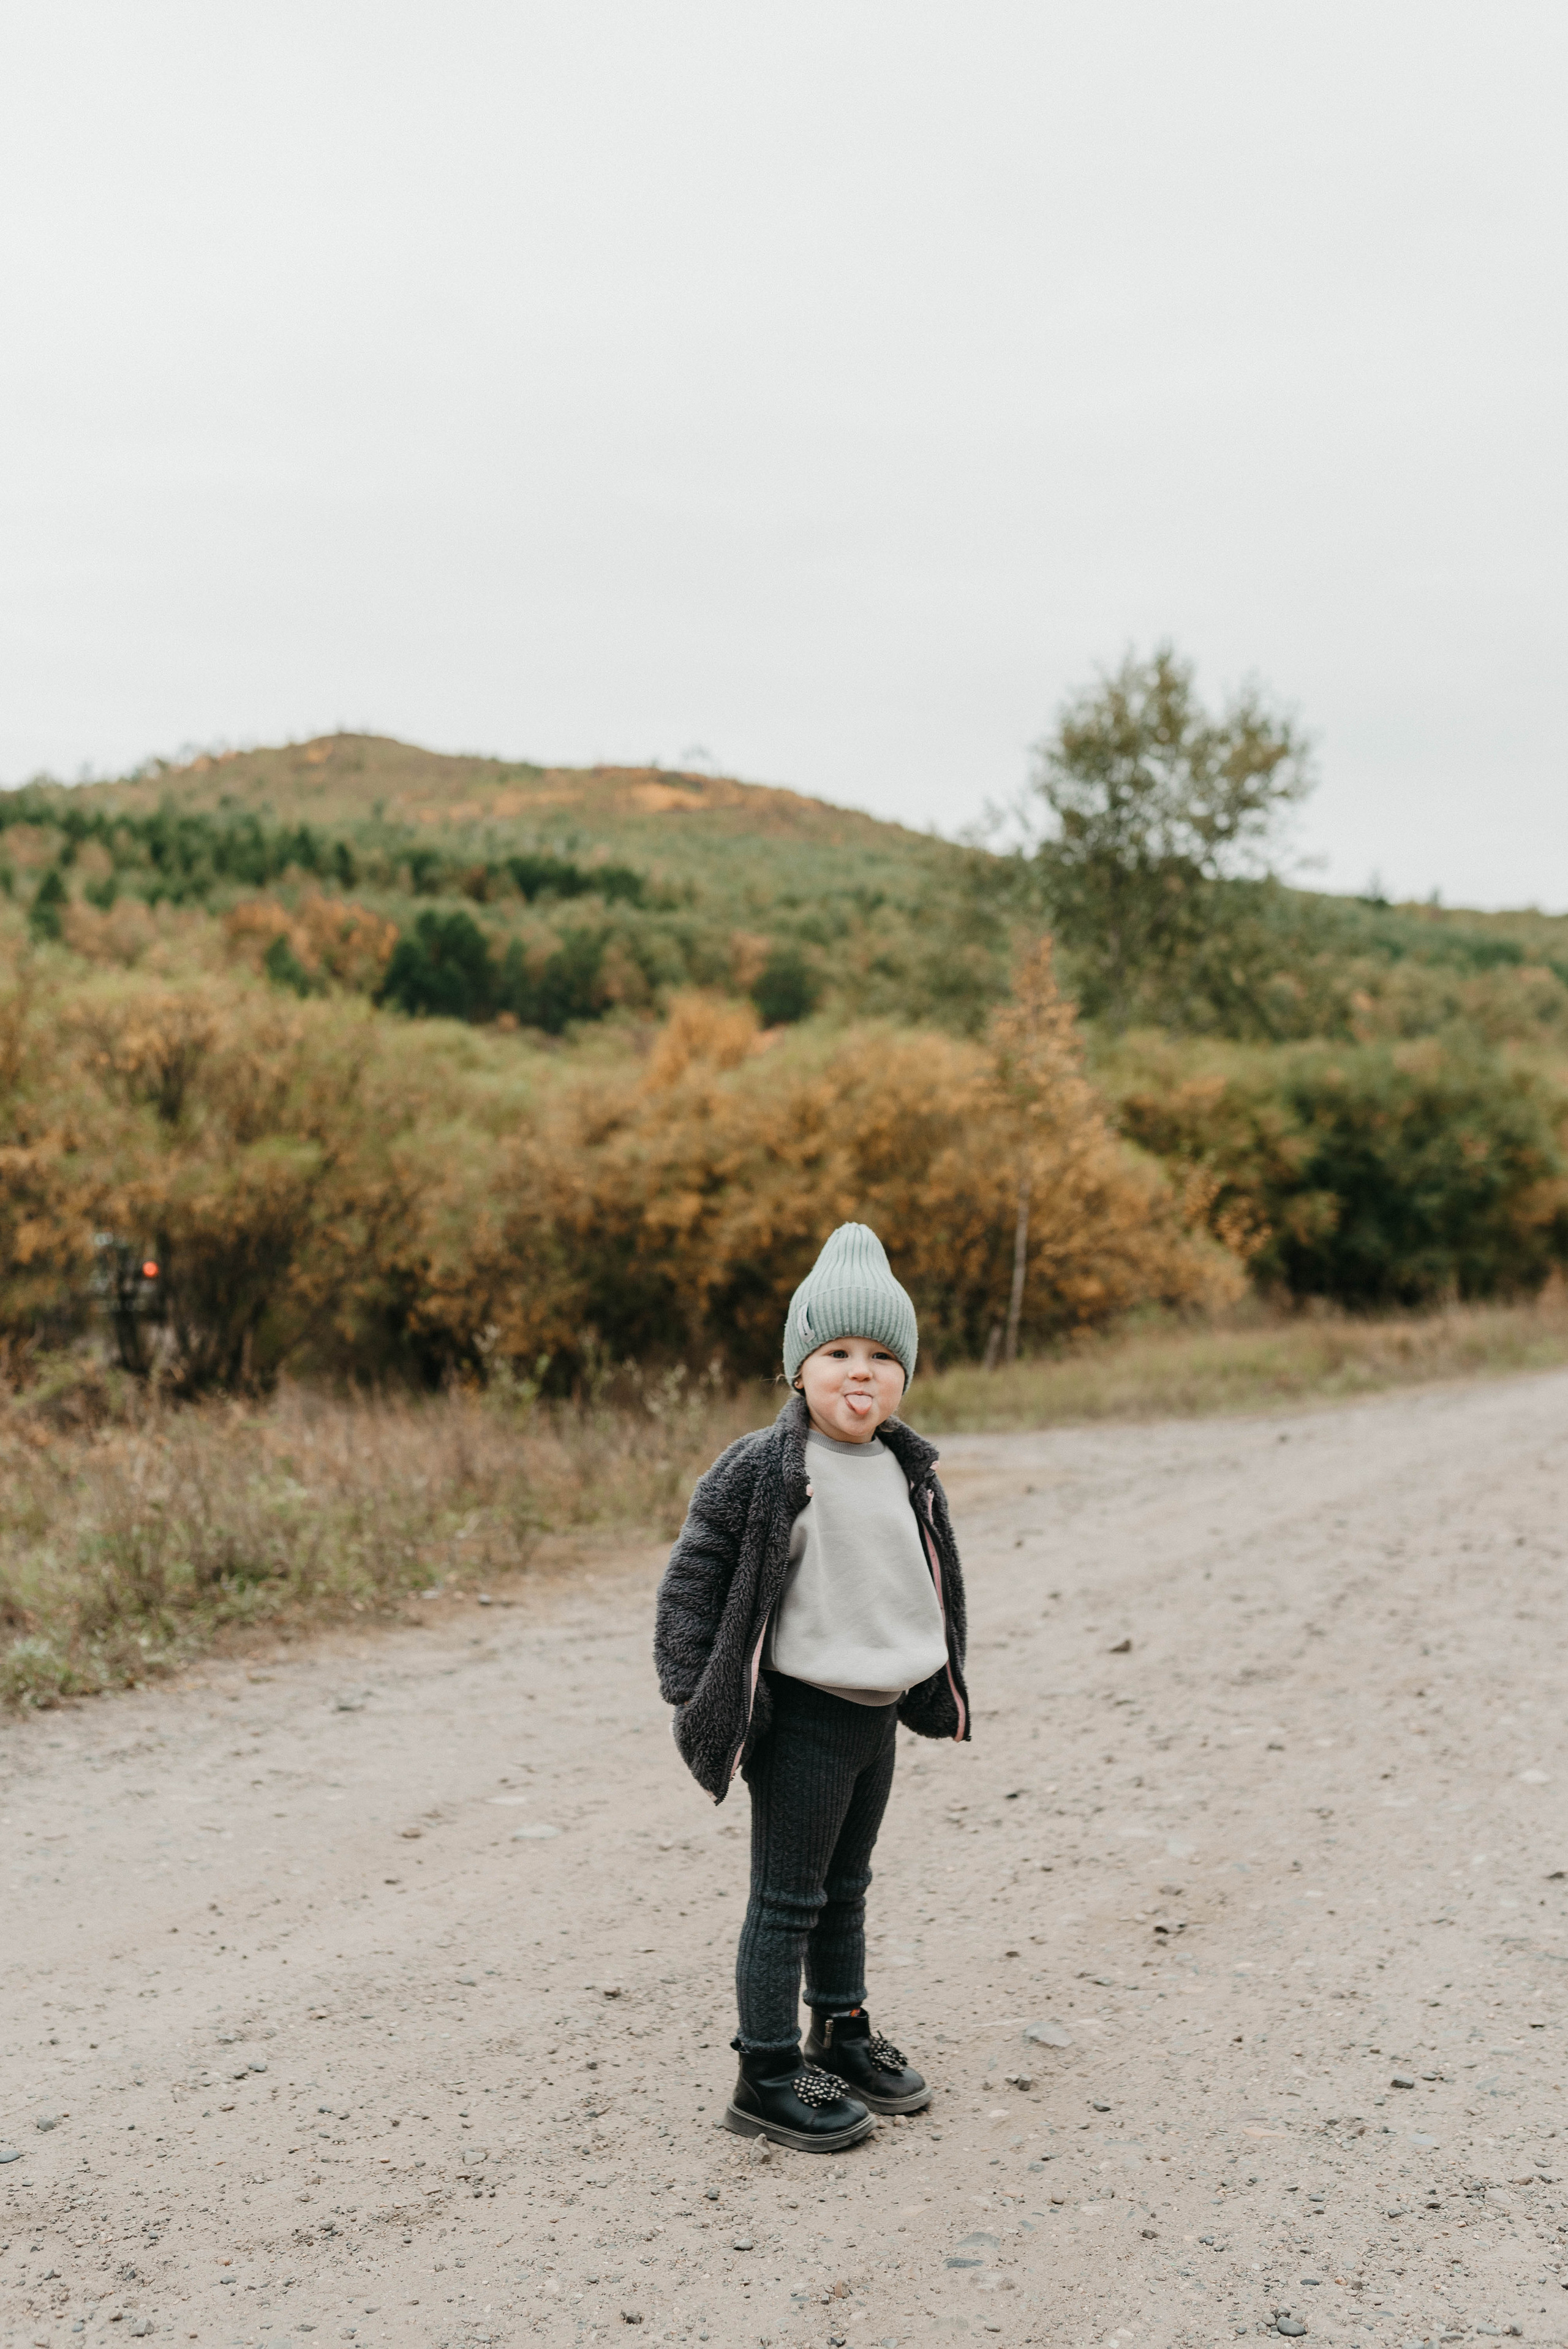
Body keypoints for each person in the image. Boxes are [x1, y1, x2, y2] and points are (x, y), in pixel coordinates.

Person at [654, 1222, 971, 2152]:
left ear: (906, 1375)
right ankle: (767, 2067)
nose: (859, 1372)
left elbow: (930, 1577)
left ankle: (841, 2026)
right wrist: (692, 1682)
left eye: (881, 1355)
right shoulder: (765, 1465)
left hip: (875, 1714)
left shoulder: (906, 1467)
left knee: (847, 1885)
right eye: (836, 1352)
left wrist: (937, 1676)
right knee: (787, 1896)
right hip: (800, 1717)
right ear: (798, 1367)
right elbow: (697, 1571)